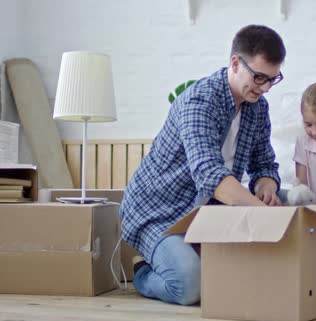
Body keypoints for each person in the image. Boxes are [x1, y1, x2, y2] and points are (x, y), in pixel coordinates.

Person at [119, 25, 286, 305]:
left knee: (282, 208)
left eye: (273, 79)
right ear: (235, 63)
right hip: (160, 212)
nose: (265, 88)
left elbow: (265, 162)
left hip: (207, 210)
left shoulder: (258, 107)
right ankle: (143, 273)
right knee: (189, 287)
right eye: (259, 78)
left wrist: (266, 184)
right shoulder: (199, 101)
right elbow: (210, 175)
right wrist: (263, 214)